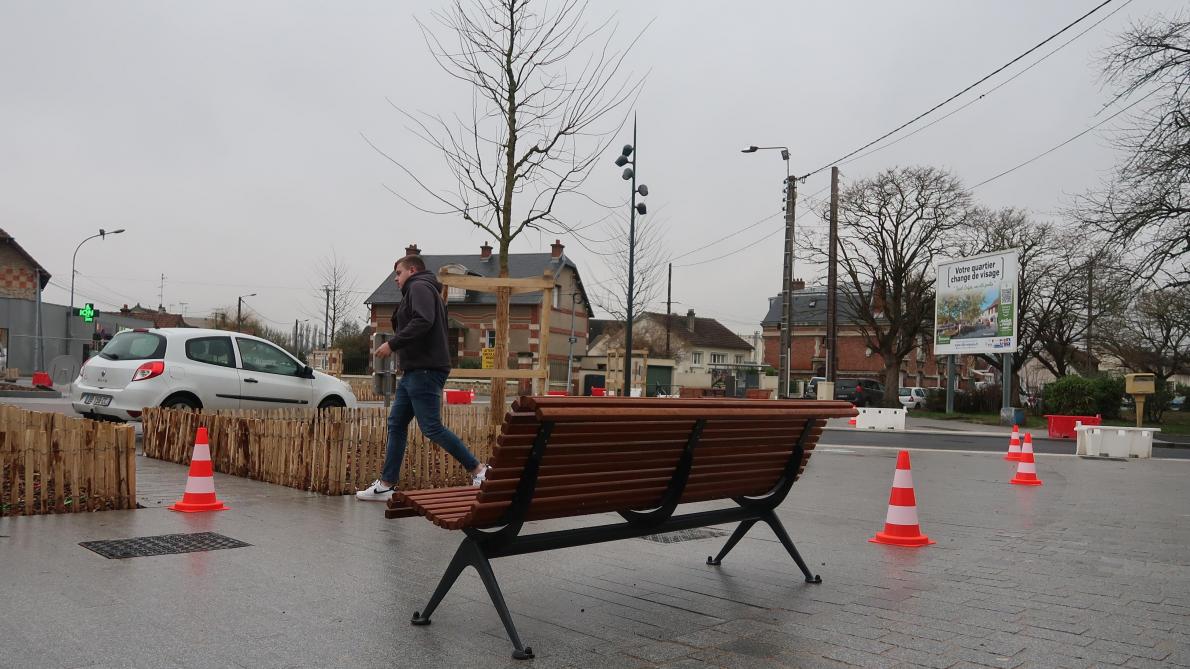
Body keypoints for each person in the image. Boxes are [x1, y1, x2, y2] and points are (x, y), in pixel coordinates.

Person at [356, 254, 488, 501]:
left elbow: (423, 321)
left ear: (412, 270)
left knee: (431, 427)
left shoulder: (419, 287)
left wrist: (393, 344)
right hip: (415, 370)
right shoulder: (421, 289)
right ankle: (386, 484)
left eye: (398, 273)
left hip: (425, 370)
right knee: (396, 424)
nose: (396, 279)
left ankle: (479, 470)